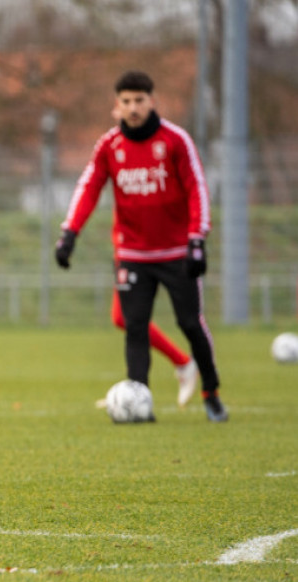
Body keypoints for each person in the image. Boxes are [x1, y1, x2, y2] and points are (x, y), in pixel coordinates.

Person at [56, 70, 226, 422]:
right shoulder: (109, 146)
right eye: (126, 102)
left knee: (190, 324)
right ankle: (139, 401)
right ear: (116, 106)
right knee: (134, 326)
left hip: (176, 252)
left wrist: (197, 238)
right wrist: (69, 233)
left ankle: (211, 394)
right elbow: (89, 187)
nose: (133, 108)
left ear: (152, 101)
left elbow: (197, 189)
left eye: (139, 100)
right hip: (132, 253)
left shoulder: (175, 140)